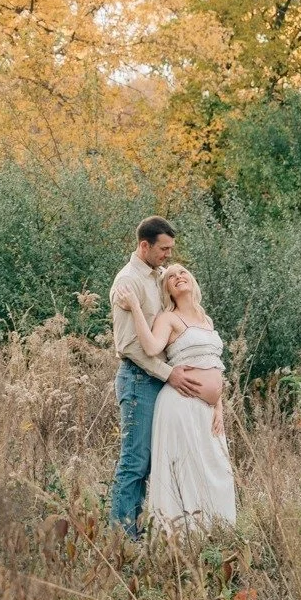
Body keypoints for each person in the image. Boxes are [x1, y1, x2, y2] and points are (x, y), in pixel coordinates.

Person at [115, 262, 236, 534]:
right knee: (187, 471)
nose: (178, 276)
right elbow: (150, 347)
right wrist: (135, 306)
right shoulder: (168, 318)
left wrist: (218, 405)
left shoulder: (207, 320)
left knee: (217, 470)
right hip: (181, 405)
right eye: (171, 277)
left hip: (208, 411)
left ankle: (215, 533)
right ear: (167, 290)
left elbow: (214, 365)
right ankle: (180, 537)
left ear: (192, 279)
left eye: (182, 272)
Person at [108, 217, 205, 536]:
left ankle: (146, 533)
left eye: (170, 248)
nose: (168, 254)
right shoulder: (128, 282)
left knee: (155, 462)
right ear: (144, 246)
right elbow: (129, 345)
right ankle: (123, 540)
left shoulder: (159, 275)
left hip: (161, 382)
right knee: (135, 462)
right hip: (139, 379)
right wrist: (169, 373)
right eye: (163, 249)